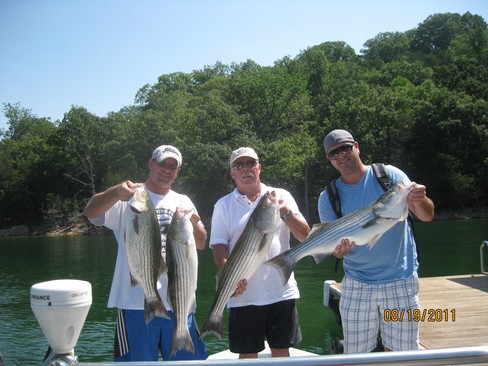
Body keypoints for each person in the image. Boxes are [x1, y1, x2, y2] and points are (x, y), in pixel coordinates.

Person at [83, 145, 208, 362]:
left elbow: (201, 243)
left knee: (186, 361)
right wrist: (114, 192)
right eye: (162, 164)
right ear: (151, 163)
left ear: (177, 171)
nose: (167, 170)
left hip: (179, 303)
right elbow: (91, 213)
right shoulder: (128, 197)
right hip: (134, 304)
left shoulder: (183, 201)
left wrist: (195, 223)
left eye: (173, 166)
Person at [318, 129, 435, 354]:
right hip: (357, 284)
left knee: (403, 354)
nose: (341, 155)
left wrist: (419, 200)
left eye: (345, 147)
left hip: (401, 281)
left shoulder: (389, 176)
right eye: (334, 153)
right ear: (329, 159)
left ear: (357, 146)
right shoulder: (328, 196)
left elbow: (426, 215)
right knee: (355, 355)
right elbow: (336, 251)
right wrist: (339, 251)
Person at [209, 147, 311, 359]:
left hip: (281, 292)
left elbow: (305, 236)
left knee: (282, 353)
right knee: (247, 356)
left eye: (250, 163)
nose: (245, 169)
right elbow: (219, 247)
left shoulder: (280, 196)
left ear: (259, 168)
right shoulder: (223, 205)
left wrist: (285, 213)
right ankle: (213, 320)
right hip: (243, 297)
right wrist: (231, 278)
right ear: (232, 173)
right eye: (239, 165)